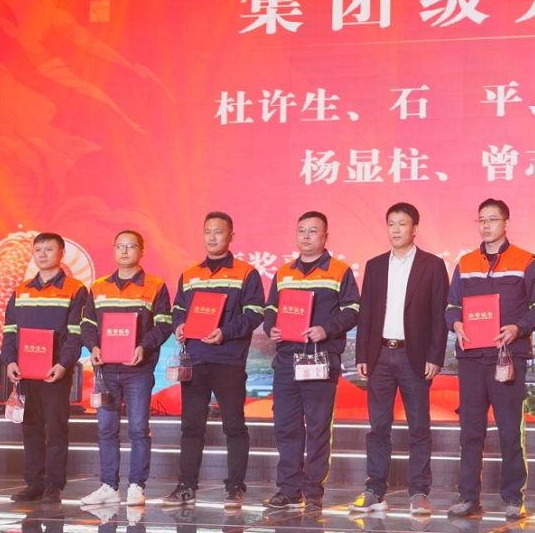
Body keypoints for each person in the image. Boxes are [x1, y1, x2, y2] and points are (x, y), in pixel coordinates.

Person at [444, 198, 535, 520]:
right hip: (472, 358)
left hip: (508, 357)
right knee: (470, 432)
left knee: (509, 431)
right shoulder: (465, 263)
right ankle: (468, 498)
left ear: (506, 224)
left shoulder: (525, 261)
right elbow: (451, 306)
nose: (486, 225)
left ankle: (513, 498)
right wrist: (456, 323)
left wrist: (519, 328)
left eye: (492, 219)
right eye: (481, 220)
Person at [349, 203, 449, 516]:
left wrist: (435, 355)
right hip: (379, 355)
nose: (395, 229)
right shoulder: (375, 265)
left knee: (419, 427)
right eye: (391, 223)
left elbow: (439, 315)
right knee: (378, 426)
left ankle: (419, 492)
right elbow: (366, 313)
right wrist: (363, 354)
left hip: (414, 356)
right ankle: (375, 490)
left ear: (414, 229)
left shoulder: (432, 266)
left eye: (402, 224)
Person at [162, 212, 265, 510]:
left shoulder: (246, 273)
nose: (212, 236)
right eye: (207, 231)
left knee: (234, 425)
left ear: (231, 236)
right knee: (191, 426)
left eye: (218, 231)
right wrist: (179, 325)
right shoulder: (190, 274)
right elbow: (178, 309)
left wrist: (225, 333)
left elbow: (255, 313)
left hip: (228, 360)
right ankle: (186, 486)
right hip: (195, 360)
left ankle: (234, 488)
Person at [261, 211, 360, 511]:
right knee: (286, 426)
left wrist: (326, 329)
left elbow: (353, 309)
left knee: (318, 427)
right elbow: (270, 308)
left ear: (325, 236)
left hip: (320, 358)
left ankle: (313, 490)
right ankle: (289, 490)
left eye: (313, 230)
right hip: (286, 359)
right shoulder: (284, 272)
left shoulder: (339, 271)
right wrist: (271, 327)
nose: (306, 236)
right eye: (301, 230)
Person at [79, 230, 174, 506]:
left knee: (138, 429)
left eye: (130, 246)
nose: (124, 251)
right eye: (119, 246)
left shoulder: (155, 285)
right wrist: (93, 347)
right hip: (106, 371)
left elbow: (163, 324)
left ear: (142, 251)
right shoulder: (99, 287)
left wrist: (143, 346)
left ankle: (136, 485)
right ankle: (109, 485)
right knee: (106, 429)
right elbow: (87, 324)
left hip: (138, 371)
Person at [1, 232, 87, 503]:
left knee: (57, 429)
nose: (42, 254)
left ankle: (53, 485)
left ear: (61, 253)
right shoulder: (21, 290)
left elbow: (76, 334)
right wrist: (10, 361)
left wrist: (63, 364)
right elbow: (10, 331)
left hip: (55, 374)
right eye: (38, 249)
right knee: (31, 428)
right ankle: (34, 483)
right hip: (25, 373)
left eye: (48, 249)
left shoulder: (75, 289)